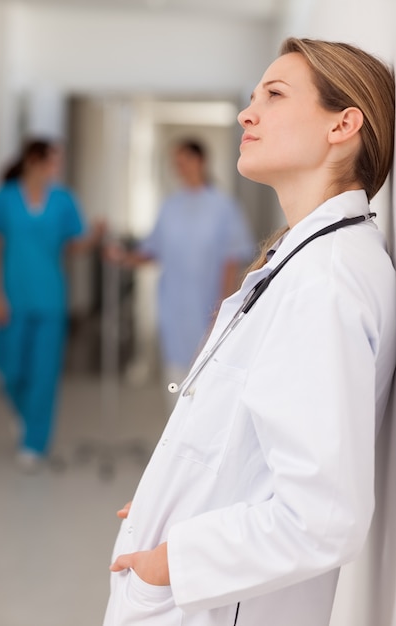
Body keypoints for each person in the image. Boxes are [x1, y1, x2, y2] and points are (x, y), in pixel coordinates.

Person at [103, 38, 396, 626]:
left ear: (343, 124)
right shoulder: (306, 259)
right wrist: (177, 491)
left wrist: (173, 559)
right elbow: (250, 442)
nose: (246, 111)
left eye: (275, 94)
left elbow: (321, 518)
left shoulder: (324, 280)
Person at [0, 138, 103, 471]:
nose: (56, 167)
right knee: (9, 369)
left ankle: (35, 440)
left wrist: (93, 237)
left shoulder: (63, 200)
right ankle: (26, 416)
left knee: (44, 373)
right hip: (12, 297)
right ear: (33, 160)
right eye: (51, 160)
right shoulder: (3, 199)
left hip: (50, 298)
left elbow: (74, 246)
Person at [107, 139, 254, 391]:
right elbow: (152, 251)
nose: (180, 167)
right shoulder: (170, 206)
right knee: (175, 376)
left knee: (208, 374)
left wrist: (223, 302)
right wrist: (122, 257)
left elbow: (232, 257)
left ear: (201, 161)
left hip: (210, 304)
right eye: (176, 163)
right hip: (174, 305)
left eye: (185, 160)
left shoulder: (222, 207)